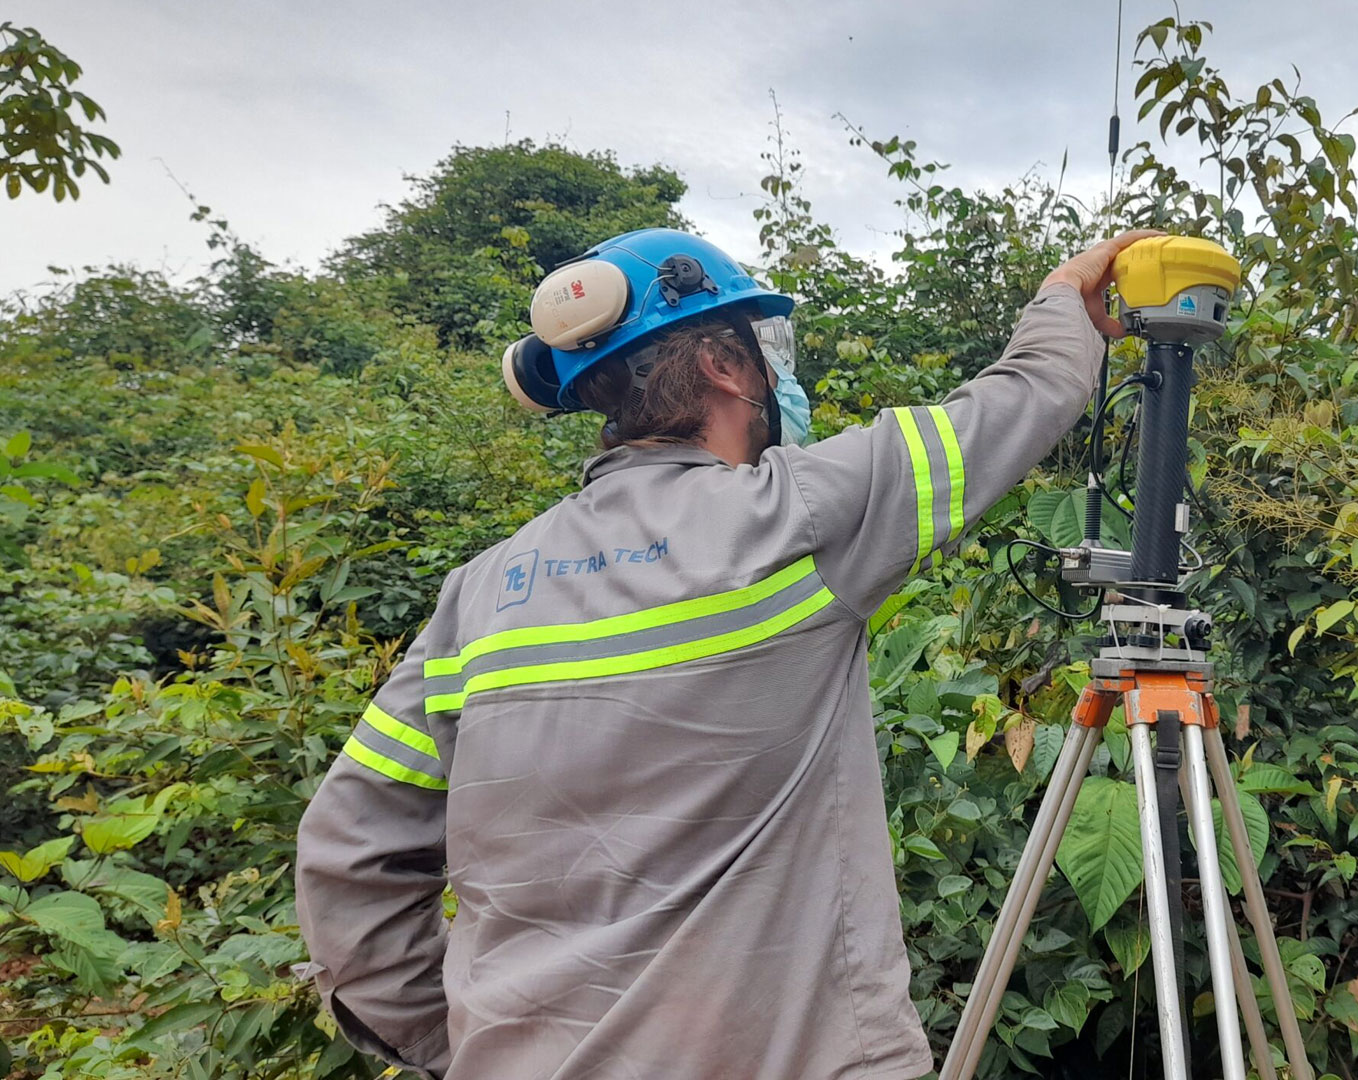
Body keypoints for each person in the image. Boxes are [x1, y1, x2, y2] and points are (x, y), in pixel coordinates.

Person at [294, 226, 1158, 1079]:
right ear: (721, 365)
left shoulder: (475, 597)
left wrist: (470, 1047)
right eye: (763, 352)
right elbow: (1020, 399)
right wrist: (1060, 303)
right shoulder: (794, 519)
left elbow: (348, 855)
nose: (775, 375)